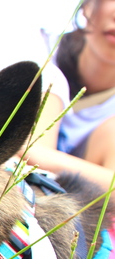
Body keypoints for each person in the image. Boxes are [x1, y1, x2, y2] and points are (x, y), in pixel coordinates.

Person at [22, 0, 115, 191]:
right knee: (40, 76)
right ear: (88, 6)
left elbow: (28, 153)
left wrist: (39, 156)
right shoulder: (36, 48)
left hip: (79, 209)